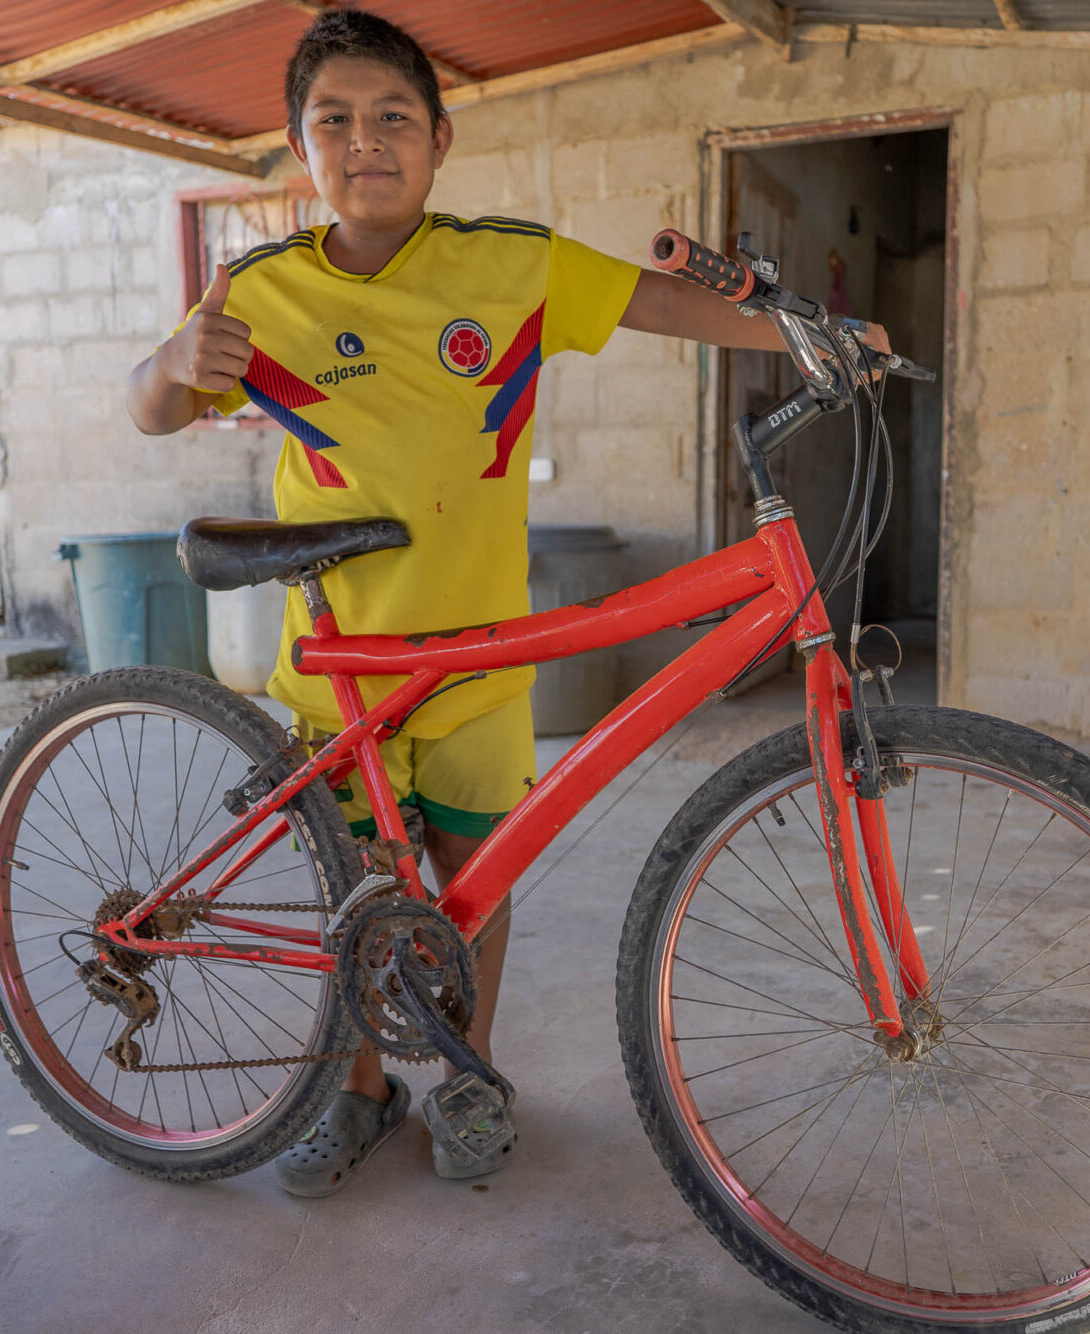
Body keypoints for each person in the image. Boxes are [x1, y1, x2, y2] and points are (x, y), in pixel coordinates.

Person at [127, 9, 886, 1196]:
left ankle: (468, 1072)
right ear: (296, 147)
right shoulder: (261, 290)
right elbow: (152, 404)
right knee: (358, 892)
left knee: (475, 882)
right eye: (333, 122)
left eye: (391, 120)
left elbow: (650, 300)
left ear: (439, 140)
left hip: (482, 655)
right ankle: (360, 1086)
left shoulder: (507, 263)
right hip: (343, 655)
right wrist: (174, 367)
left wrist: (805, 335)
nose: (363, 143)